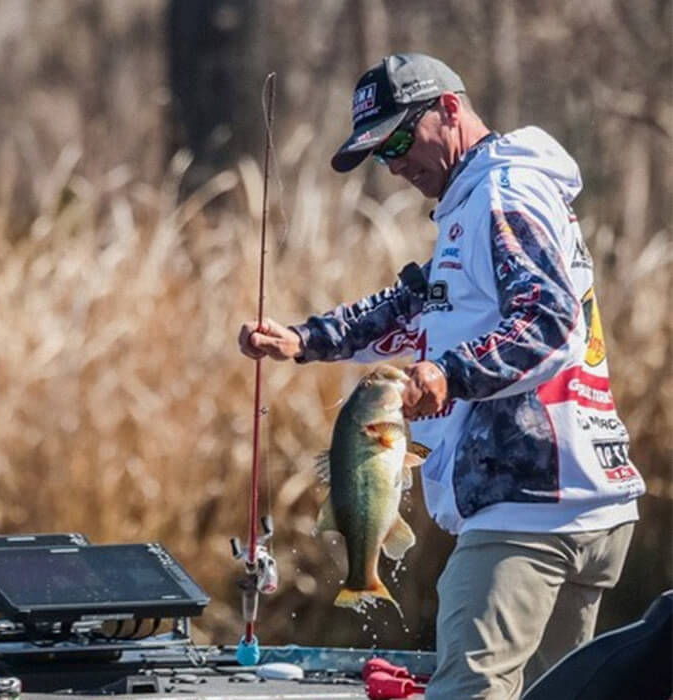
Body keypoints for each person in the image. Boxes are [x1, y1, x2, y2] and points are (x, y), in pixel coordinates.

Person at [238, 53, 646, 699]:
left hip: (528, 507)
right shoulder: (484, 198)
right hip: (580, 498)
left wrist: (449, 376)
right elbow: (423, 306)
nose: (395, 164)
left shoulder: (500, 193)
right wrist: (306, 339)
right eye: (379, 153)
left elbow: (547, 319)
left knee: (467, 691)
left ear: (451, 110)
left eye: (400, 139)